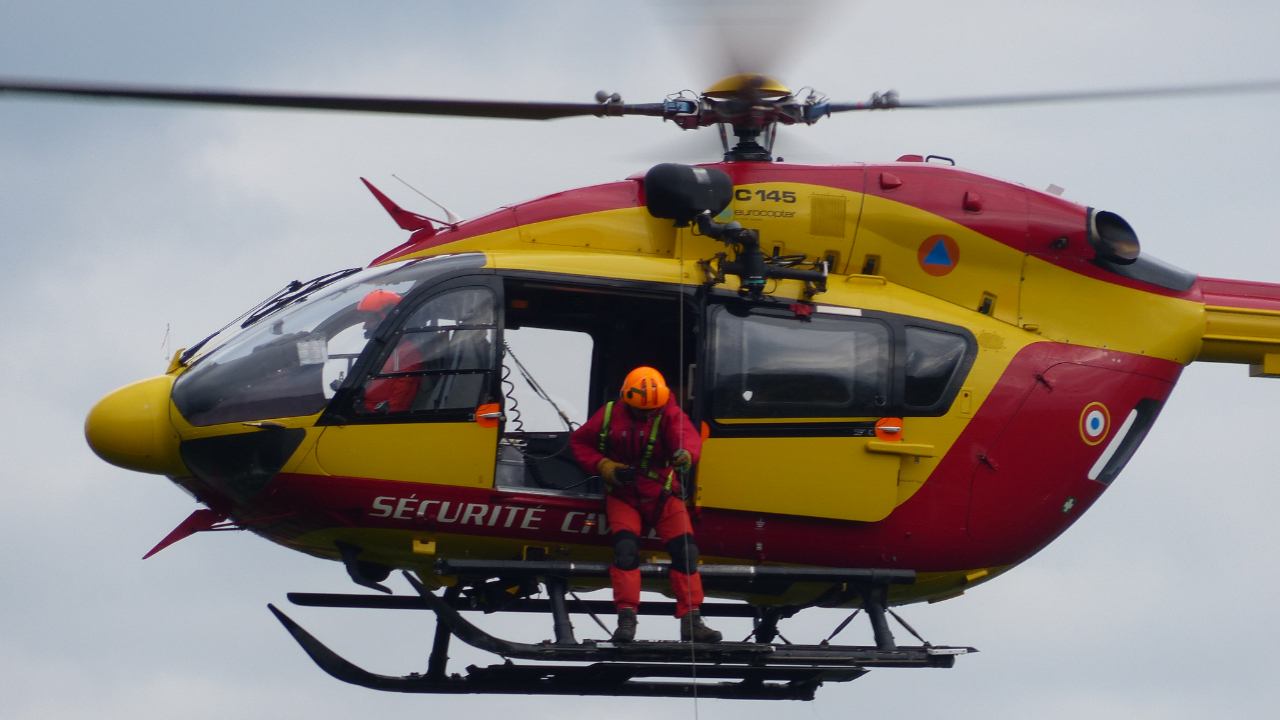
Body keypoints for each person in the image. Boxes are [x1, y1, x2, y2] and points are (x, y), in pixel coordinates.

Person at [569, 366, 722, 644]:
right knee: (625, 551)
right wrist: (605, 466)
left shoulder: (670, 413)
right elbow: (579, 443)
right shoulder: (607, 416)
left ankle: (692, 619)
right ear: (626, 400)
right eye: (642, 411)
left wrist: (686, 454)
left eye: (653, 410)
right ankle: (626, 617)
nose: (648, 415)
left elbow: (688, 436)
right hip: (623, 495)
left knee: (686, 552)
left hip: (662, 495)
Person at [356, 289, 423, 413]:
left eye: (369, 320)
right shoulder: (382, 351)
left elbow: (400, 400)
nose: (365, 327)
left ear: (385, 321)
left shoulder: (408, 353)